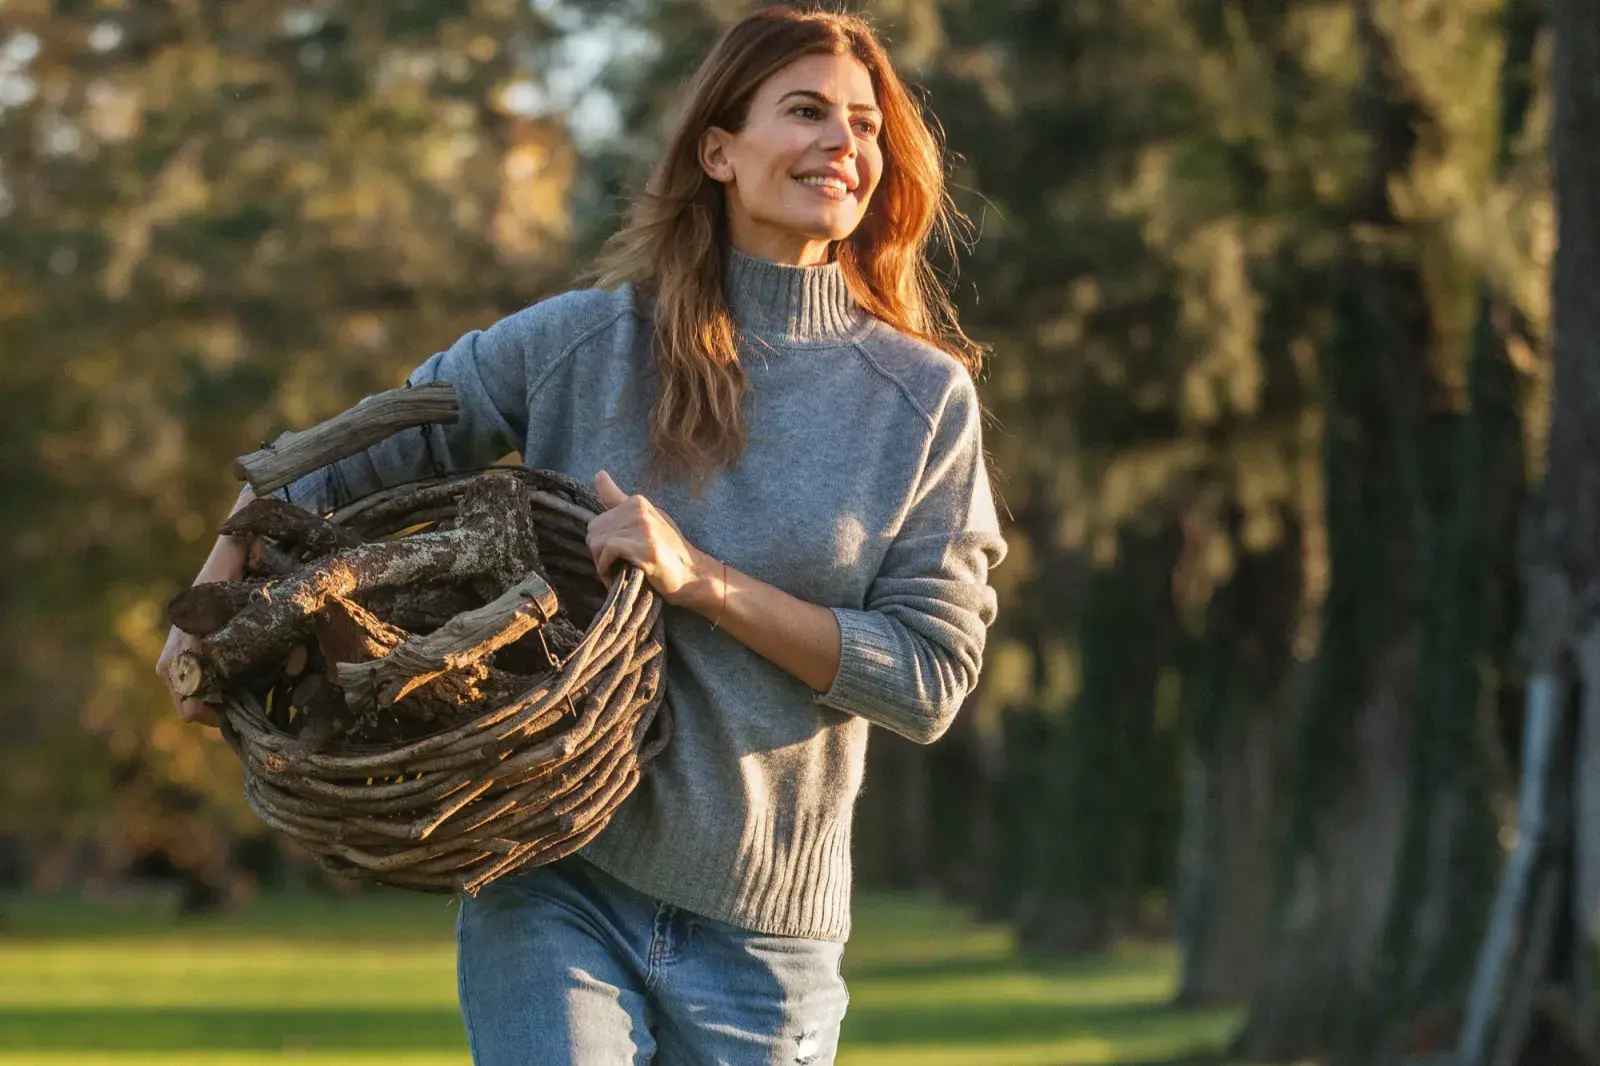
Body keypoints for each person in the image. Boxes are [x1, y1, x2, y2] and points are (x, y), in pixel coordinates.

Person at [157, 5, 1006, 1063]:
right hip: (554, 884)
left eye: (866, 124)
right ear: (718, 150)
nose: (845, 142)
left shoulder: (920, 401)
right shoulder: (582, 344)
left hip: (765, 940)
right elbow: (349, 450)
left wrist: (702, 580)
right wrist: (213, 599)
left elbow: (928, 677)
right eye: (805, 111)